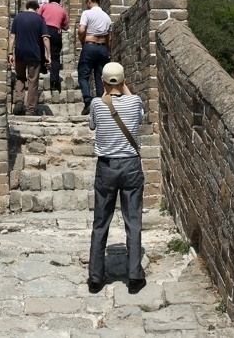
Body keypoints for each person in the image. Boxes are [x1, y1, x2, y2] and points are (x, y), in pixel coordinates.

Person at [87, 62, 146, 294]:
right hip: (131, 165)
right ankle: (133, 276)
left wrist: (106, 92)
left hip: (106, 167)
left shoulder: (97, 104)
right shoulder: (135, 102)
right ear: (123, 81)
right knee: (133, 221)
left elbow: (92, 126)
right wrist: (125, 88)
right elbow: (139, 119)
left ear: (102, 81)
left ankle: (95, 277)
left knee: (101, 222)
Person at [9, 0, 51, 116]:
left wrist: (10, 53)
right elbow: (46, 38)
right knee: (33, 81)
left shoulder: (17, 18)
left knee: (20, 77)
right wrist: (49, 55)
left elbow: (12, 36)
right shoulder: (40, 19)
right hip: (34, 54)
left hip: (20, 53)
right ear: (37, 9)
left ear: (26, 7)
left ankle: (19, 101)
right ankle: (30, 109)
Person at [77, 0, 112, 115]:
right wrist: (108, 51)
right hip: (102, 48)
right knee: (100, 77)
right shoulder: (107, 17)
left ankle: (88, 100)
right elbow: (109, 38)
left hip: (90, 46)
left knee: (83, 75)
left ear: (89, 1)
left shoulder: (87, 13)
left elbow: (81, 30)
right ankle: (102, 104)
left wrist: (81, 38)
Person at [37, 0, 70, 92]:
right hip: (56, 32)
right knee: (55, 57)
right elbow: (66, 26)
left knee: (41, 49)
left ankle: (43, 68)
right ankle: (54, 80)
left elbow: (37, 18)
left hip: (44, 30)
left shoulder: (44, 6)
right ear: (59, 1)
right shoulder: (62, 10)